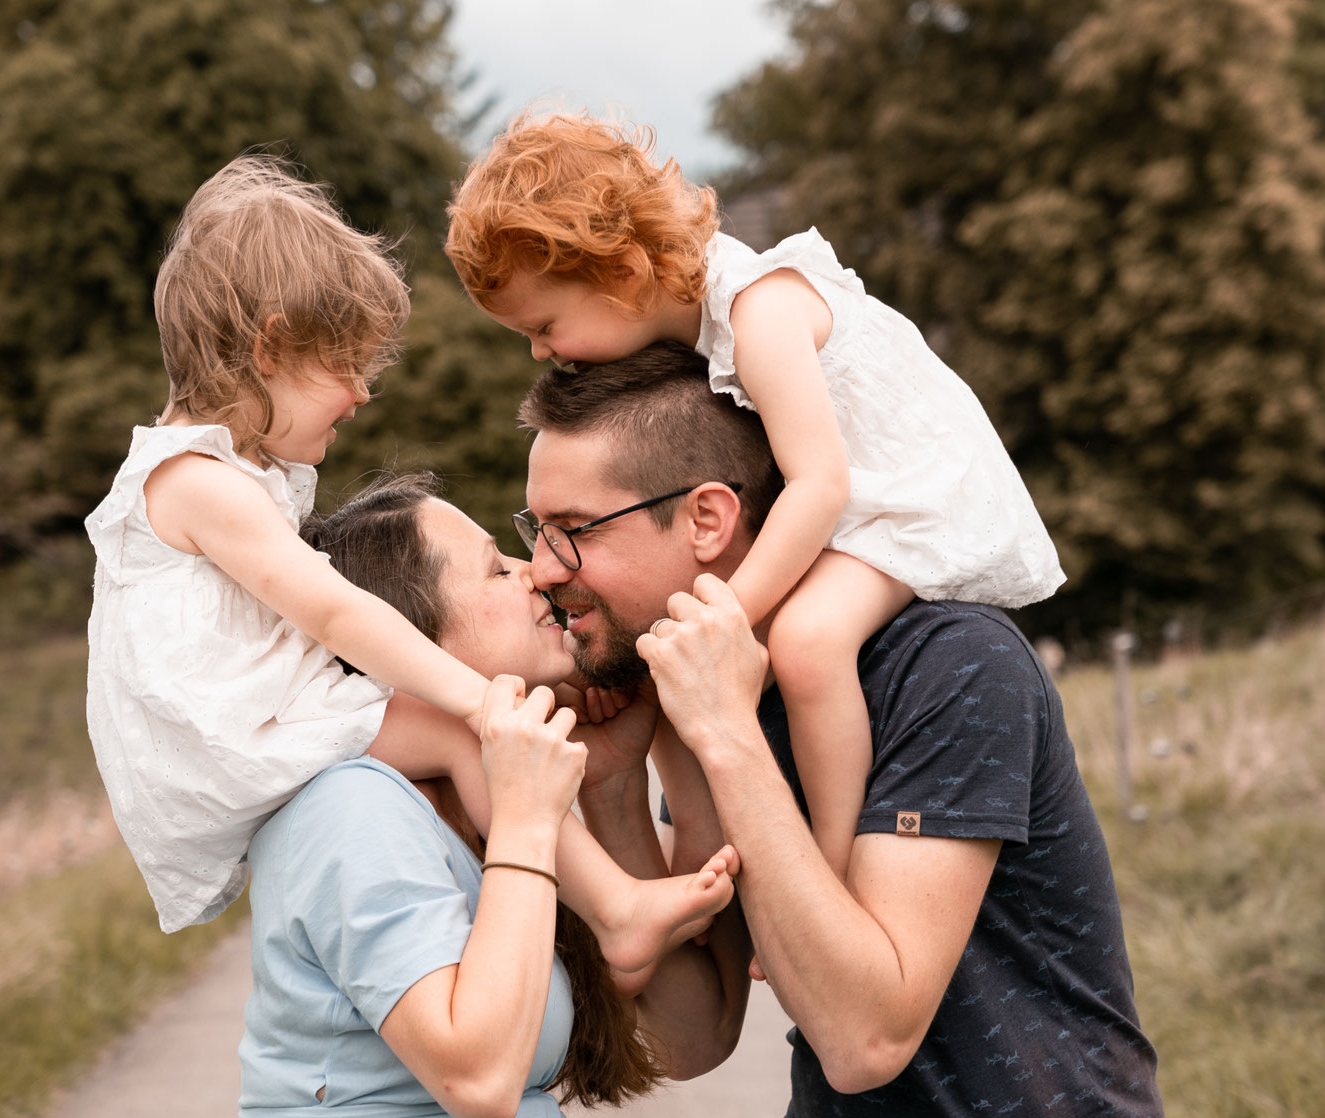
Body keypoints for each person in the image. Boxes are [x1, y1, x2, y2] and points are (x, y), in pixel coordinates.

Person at [518, 345, 1205, 1118]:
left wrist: (724, 737)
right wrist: (618, 786)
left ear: (706, 518)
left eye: (574, 533)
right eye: (534, 532)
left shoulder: (948, 667)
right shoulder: (714, 695)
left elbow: (864, 1033)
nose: (541, 572)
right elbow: (692, 1035)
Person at [84, 154, 733, 969]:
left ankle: (608, 905)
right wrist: (479, 695)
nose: (359, 395)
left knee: (455, 734)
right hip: (227, 739)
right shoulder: (198, 481)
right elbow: (334, 610)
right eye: (345, 367)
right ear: (272, 347)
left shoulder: (227, 475)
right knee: (461, 730)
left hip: (246, 723)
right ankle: (615, 905)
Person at [179, 475, 731, 1118]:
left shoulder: (482, 813)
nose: (533, 574)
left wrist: (617, 782)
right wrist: (522, 823)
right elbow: (477, 1076)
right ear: (408, 636)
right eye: (493, 566)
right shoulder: (351, 809)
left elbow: (687, 1039)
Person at [445, 112, 1065, 880]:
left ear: (623, 276)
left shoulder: (758, 311)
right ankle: (739, 850)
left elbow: (821, 483)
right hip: (857, 498)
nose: (539, 351)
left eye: (543, 325)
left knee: (803, 643)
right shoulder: (695, 325)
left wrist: (727, 616)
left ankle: (829, 865)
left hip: (911, 494)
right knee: (753, 666)